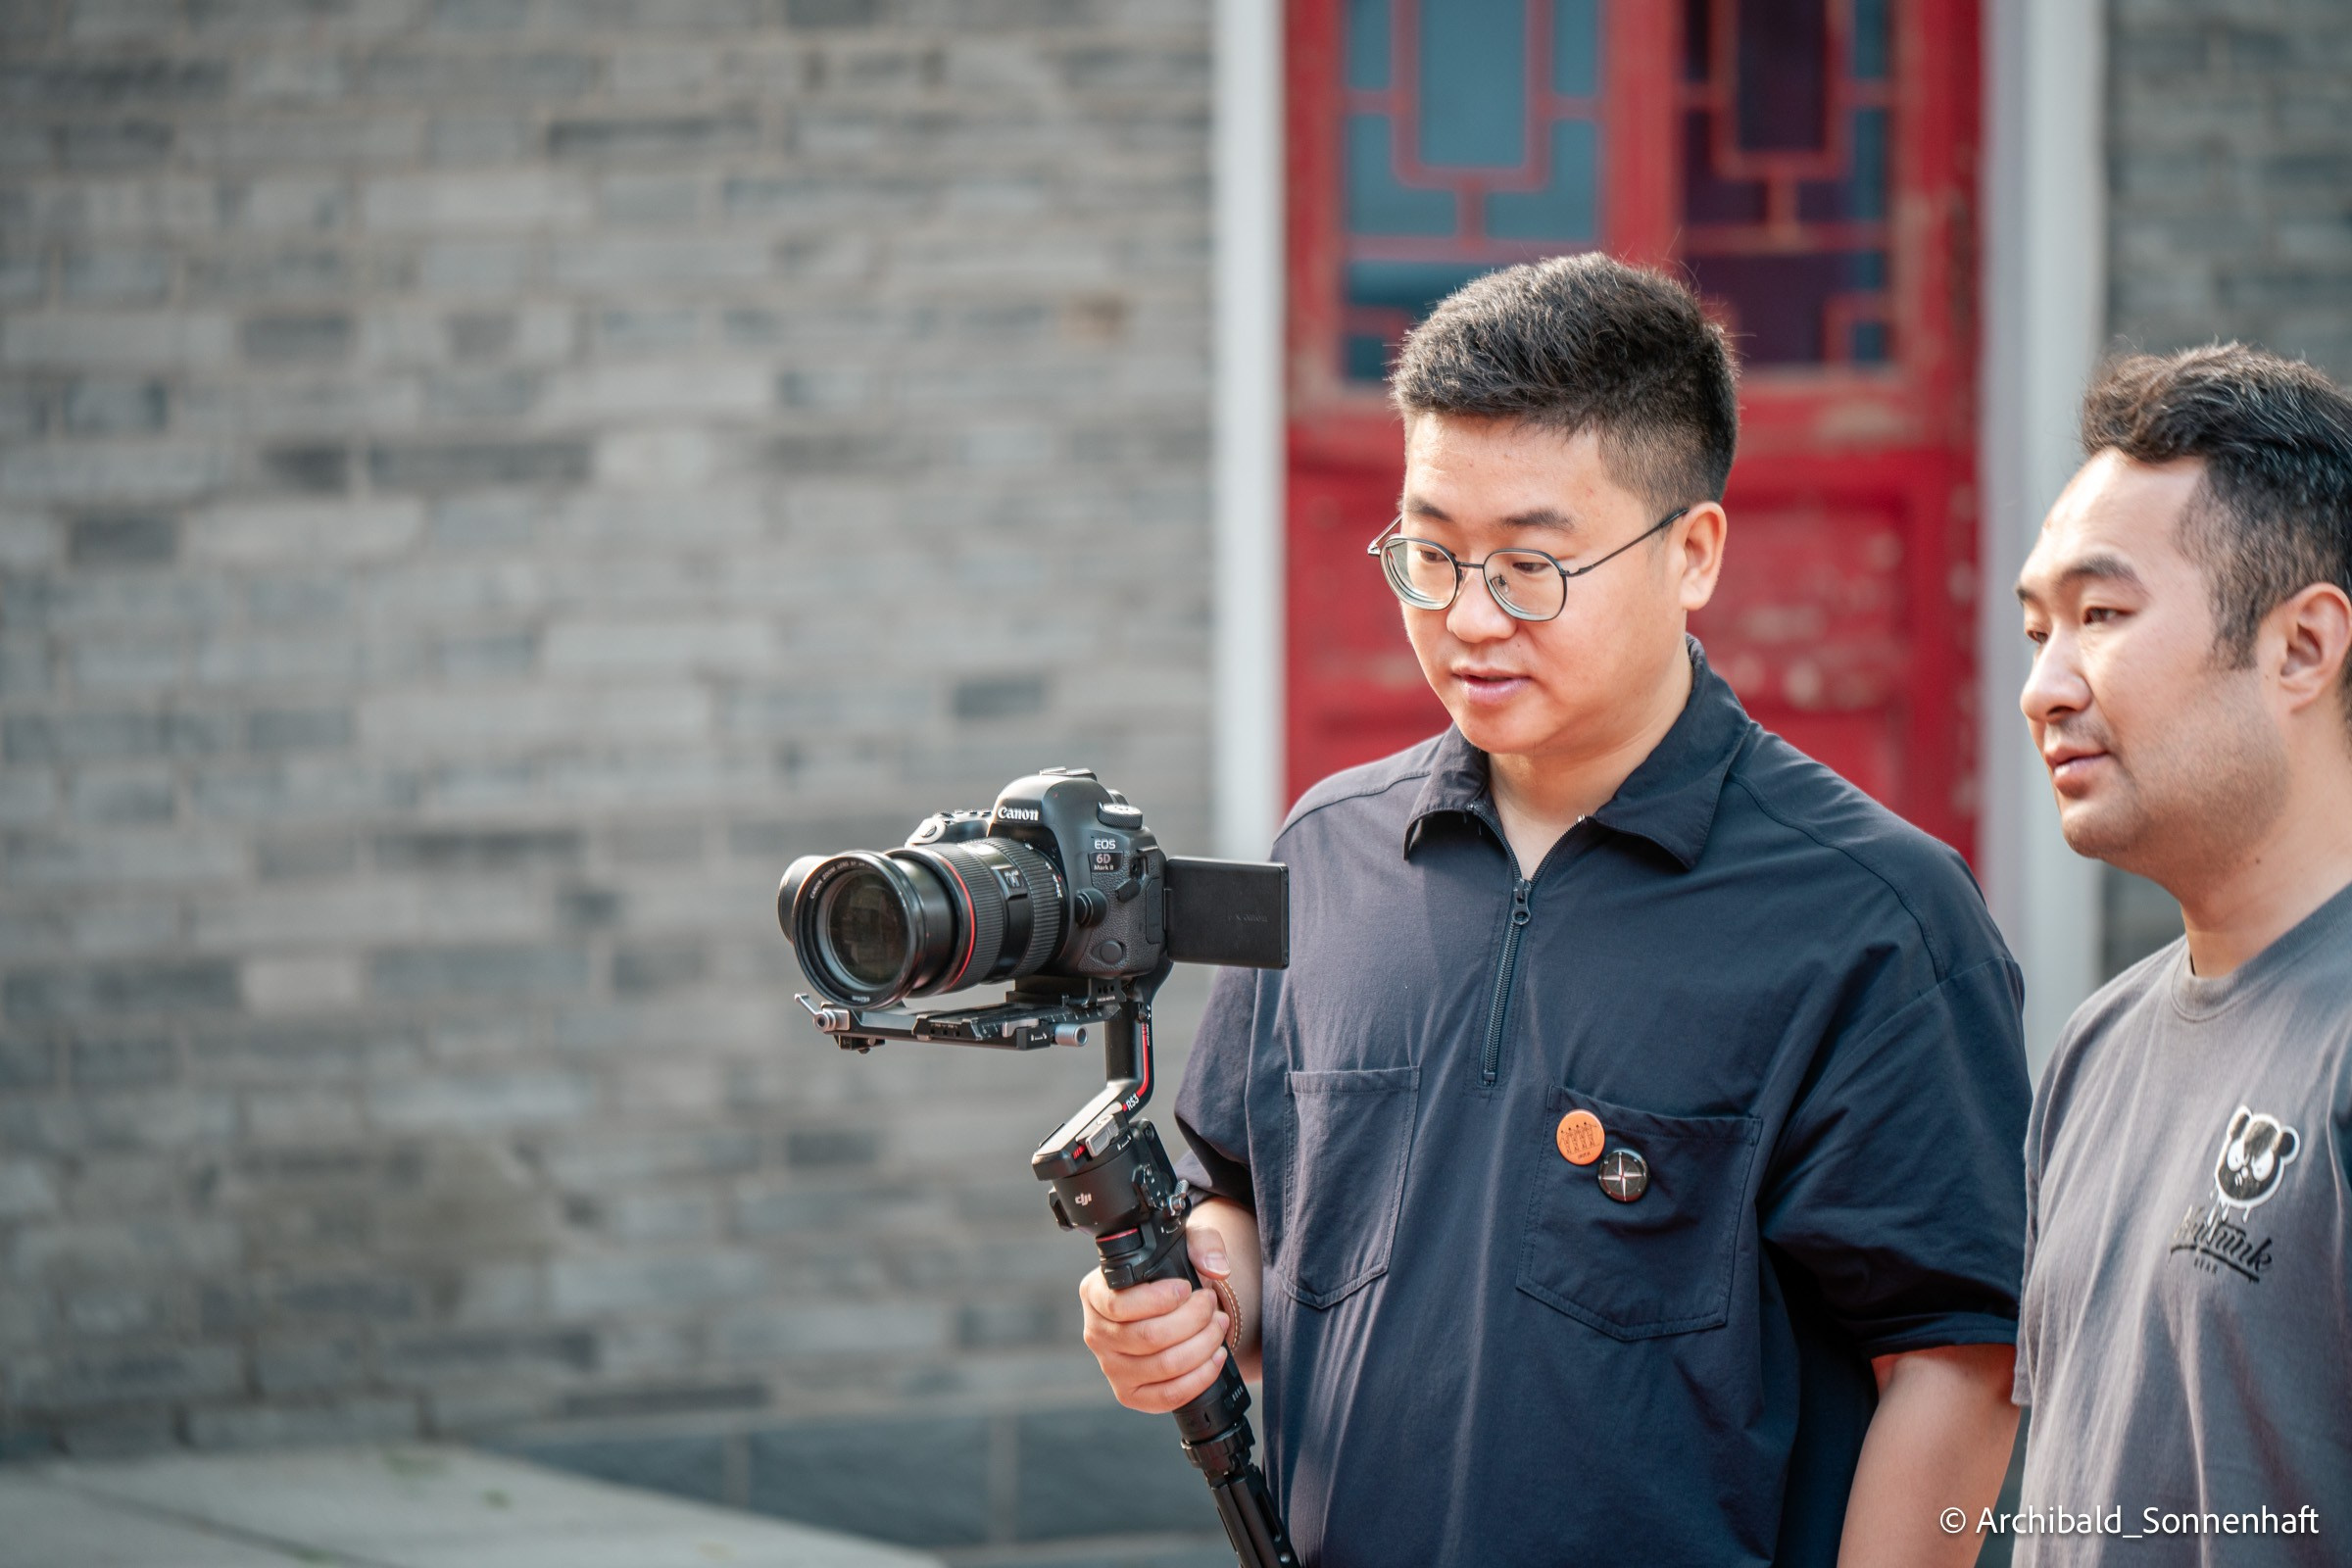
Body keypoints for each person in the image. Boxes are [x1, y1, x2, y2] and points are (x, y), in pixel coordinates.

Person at [1079, 255, 2030, 1566]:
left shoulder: (1875, 917)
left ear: (1692, 553)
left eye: (1530, 565)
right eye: (1428, 553)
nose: (1468, 618)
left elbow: (1955, 1366)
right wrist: (1196, 1299)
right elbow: (1236, 1189)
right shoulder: (1325, 854)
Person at [2011, 345, 2352, 1565]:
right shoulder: (2092, 1052)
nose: (2044, 687)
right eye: (2038, 627)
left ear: (2303, 647)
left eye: (2101, 616)